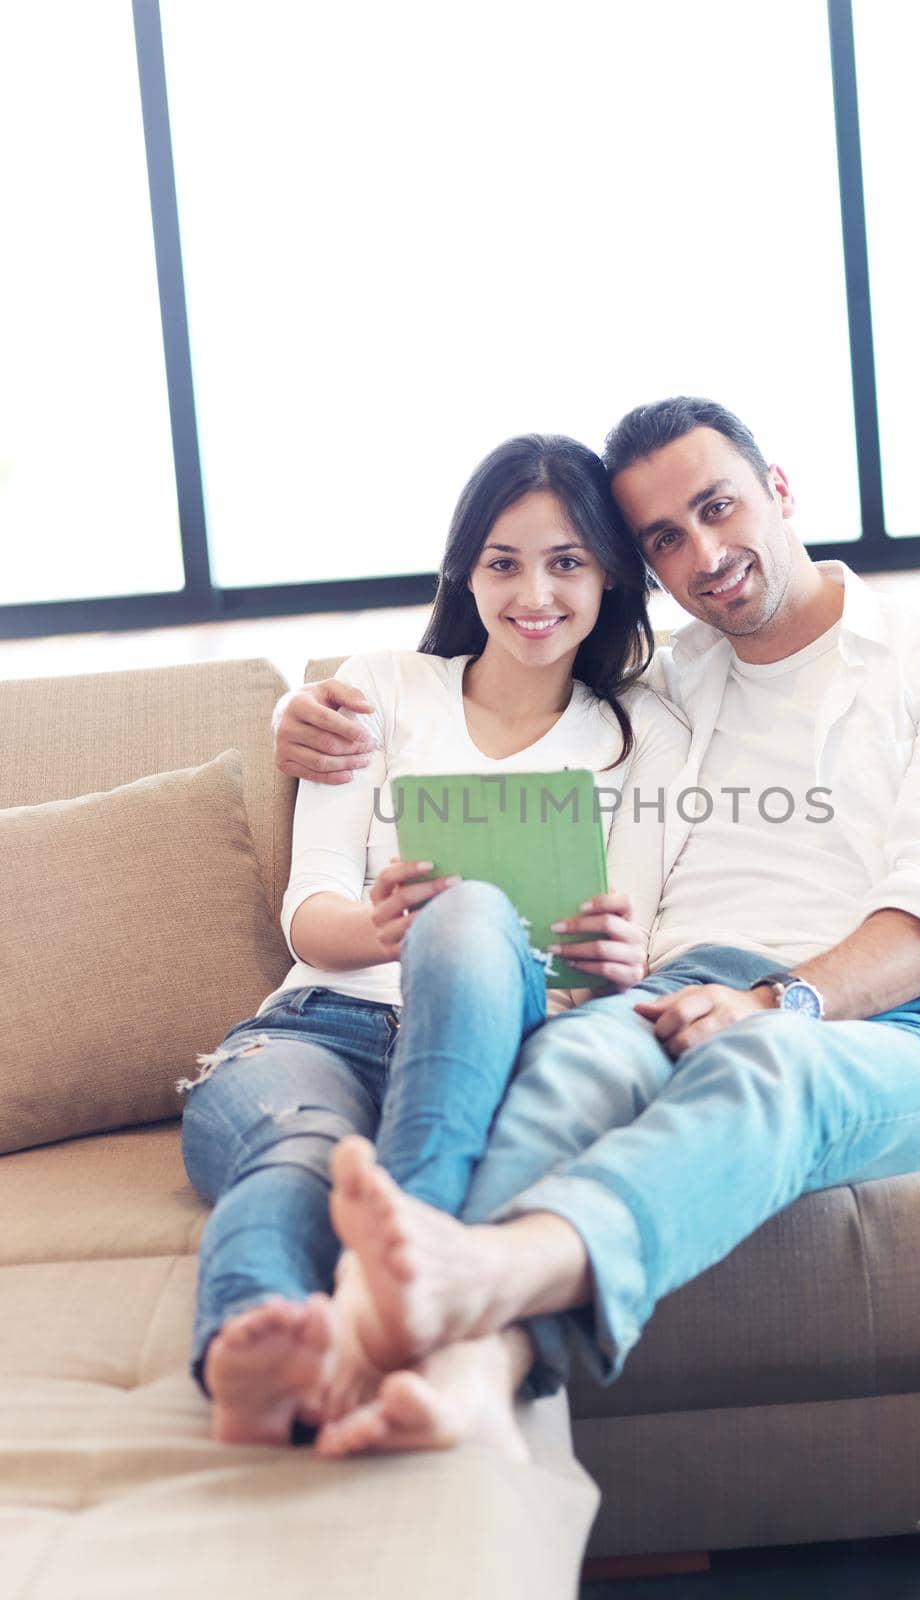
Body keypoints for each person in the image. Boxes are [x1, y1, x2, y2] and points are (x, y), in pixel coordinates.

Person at [274, 396, 920, 1461]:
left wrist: (774, 1001)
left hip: (902, 1019)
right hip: (680, 990)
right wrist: (296, 716)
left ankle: (482, 1288)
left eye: (719, 507)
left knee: (769, 1070)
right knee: (560, 1066)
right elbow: (505, 679)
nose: (705, 553)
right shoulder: (662, 682)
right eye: (664, 539)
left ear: (778, 489)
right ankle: (466, 1364)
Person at [179, 432, 690, 1449]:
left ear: (609, 576)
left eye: (567, 562)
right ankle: (253, 1351)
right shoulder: (378, 689)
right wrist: (376, 926)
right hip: (320, 1030)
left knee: (467, 911)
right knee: (298, 1157)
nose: (532, 592)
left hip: (491, 1038)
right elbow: (307, 908)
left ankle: (386, 1277)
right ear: (467, 569)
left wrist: (625, 962)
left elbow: (616, 957)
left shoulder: (643, 734)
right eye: (504, 561)